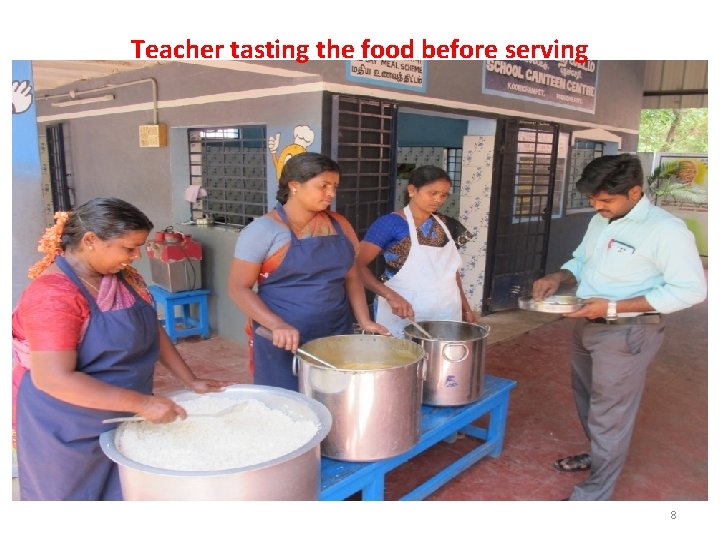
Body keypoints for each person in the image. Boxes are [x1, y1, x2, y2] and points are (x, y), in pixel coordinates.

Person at [12, 198, 231, 501]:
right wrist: (142, 404)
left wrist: (189, 379)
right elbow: (53, 378)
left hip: (123, 412)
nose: (136, 257)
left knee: (123, 493)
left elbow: (151, 330)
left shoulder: (124, 279)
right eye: (128, 248)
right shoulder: (53, 296)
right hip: (68, 425)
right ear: (90, 241)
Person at [532, 154, 707, 501]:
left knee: (610, 411)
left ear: (635, 192)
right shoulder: (602, 219)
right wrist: (558, 276)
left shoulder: (666, 231)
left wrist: (612, 306)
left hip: (627, 332)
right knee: (587, 399)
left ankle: (595, 494)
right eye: (592, 199)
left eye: (605, 200)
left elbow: (691, 290)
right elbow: (583, 260)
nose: (597, 206)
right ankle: (599, 457)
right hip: (588, 322)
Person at [228, 152, 388, 390]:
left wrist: (364, 320)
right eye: (323, 186)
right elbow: (238, 288)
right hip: (283, 339)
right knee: (286, 405)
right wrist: (276, 324)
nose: (331, 194)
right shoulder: (263, 230)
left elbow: (352, 276)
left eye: (334, 186)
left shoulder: (339, 224)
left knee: (333, 399)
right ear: (294, 185)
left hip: (335, 333)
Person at [356, 165, 477, 337]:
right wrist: (390, 296)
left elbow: (451, 271)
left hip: (447, 310)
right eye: (432, 193)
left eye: (443, 195)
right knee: (402, 360)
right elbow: (357, 265)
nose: (438, 200)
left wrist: (466, 308)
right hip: (402, 313)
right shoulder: (390, 224)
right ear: (412, 190)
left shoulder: (447, 225)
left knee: (442, 361)